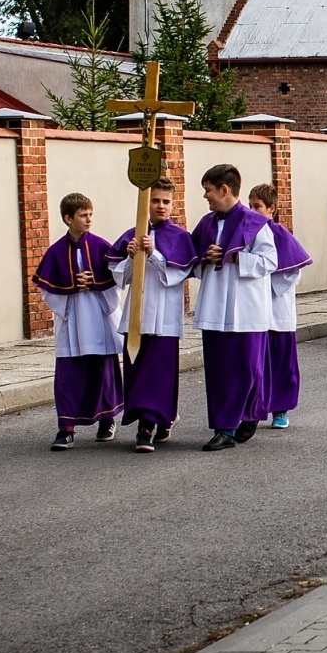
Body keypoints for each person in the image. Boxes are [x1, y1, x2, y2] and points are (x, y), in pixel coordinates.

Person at [191, 164, 278, 451]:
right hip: (215, 306)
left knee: (245, 368)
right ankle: (224, 427)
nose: (206, 196)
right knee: (219, 371)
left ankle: (247, 415)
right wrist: (205, 256)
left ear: (224, 190)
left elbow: (269, 262)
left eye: (208, 190)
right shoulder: (205, 224)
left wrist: (236, 257)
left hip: (246, 308)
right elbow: (193, 260)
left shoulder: (255, 223)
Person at [110, 178, 196, 453]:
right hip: (137, 317)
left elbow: (177, 275)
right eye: (155, 201)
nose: (160, 206)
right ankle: (151, 422)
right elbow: (120, 278)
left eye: (166, 201)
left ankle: (152, 424)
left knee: (158, 374)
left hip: (165, 318)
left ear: (173, 204)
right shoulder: (132, 234)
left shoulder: (180, 237)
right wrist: (130, 256)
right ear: (147, 204)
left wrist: (155, 253)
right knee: (137, 373)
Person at [34, 193, 123, 451]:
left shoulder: (100, 245)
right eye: (83, 215)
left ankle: (107, 419)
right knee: (69, 375)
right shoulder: (56, 251)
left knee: (102, 371)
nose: (88, 220)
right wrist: (72, 284)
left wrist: (94, 282)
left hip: (97, 316)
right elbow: (47, 290)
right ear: (68, 218)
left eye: (90, 215)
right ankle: (66, 429)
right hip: (72, 318)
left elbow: (115, 280)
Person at [249, 184, 312, 429]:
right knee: (257, 363)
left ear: (271, 209)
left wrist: (267, 284)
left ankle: (280, 409)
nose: (252, 211)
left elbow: (292, 271)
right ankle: (256, 407)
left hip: (277, 308)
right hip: (254, 309)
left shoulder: (281, 234)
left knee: (281, 362)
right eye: (250, 205)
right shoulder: (248, 232)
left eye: (258, 207)